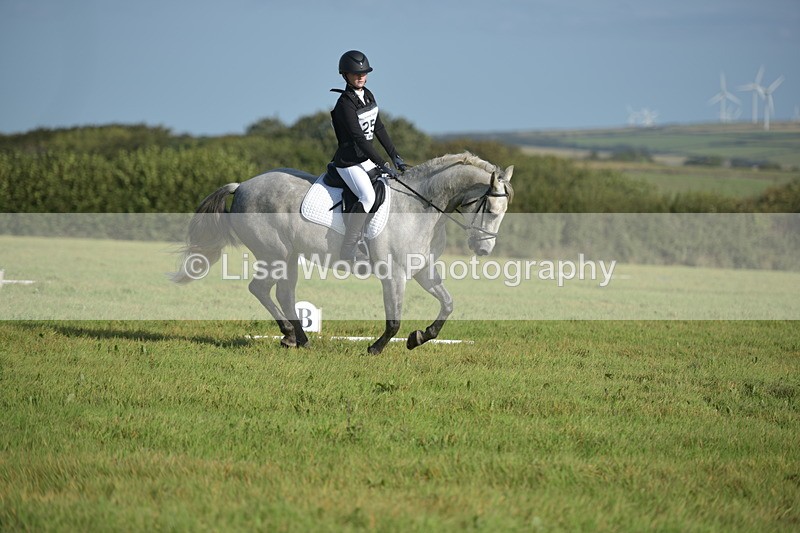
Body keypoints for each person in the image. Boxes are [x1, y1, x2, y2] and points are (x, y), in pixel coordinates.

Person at [330, 50, 407, 262]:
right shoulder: (345, 104)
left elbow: (379, 128)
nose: (361, 77)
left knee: (389, 191)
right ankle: (348, 248)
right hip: (349, 162)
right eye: (355, 74)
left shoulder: (368, 95)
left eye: (364, 73)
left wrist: (395, 155)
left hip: (364, 159)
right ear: (345, 75)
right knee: (368, 196)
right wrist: (382, 163)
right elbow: (359, 139)